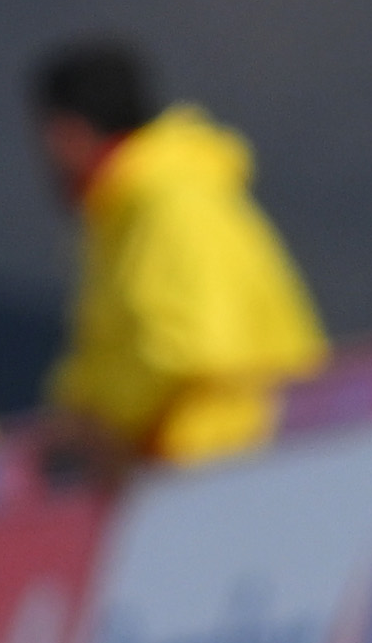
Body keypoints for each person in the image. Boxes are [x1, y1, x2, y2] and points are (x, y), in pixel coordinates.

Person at [31, 36, 324, 471]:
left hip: (235, 465)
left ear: (68, 133)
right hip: (227, 466)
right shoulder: (134, 205)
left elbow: (186, 344)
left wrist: (100, 424)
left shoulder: (167, 200)